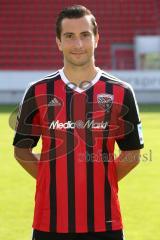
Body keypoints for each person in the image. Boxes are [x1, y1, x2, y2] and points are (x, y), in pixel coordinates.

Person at [13, 5, 144, 240]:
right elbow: (22, 150)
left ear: (96, 39)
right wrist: (51, 177)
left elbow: (132, 153)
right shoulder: (38, 91)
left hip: (105, 224)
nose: (78, 44)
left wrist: (101, 178)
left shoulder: (121, 92)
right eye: (69, 36)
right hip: (49, 223)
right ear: (58, 42)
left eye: (85, 35)